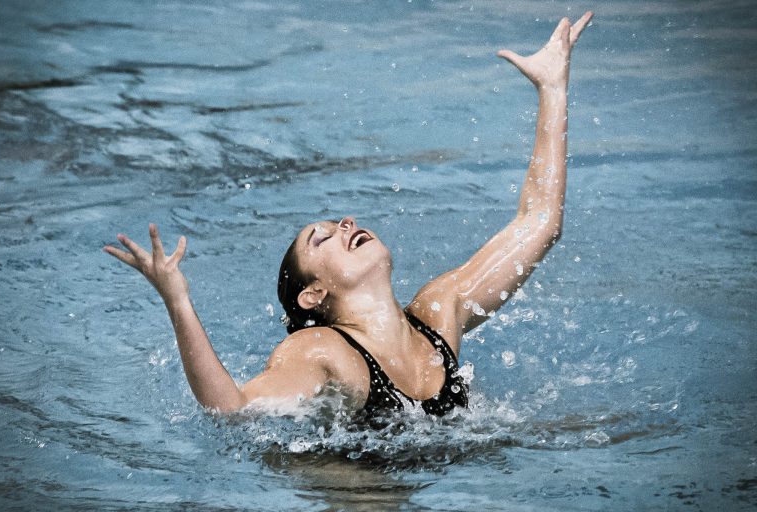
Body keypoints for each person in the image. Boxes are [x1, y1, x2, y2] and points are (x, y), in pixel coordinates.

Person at [104, 12, 593, 420]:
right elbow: (232, 410)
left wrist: (552, 88)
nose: (345, 225)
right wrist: (177, 300)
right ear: (313, 293)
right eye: (321, 239)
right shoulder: (320, 351)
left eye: (339, 224)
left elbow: (539, 223)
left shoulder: (440, 312)